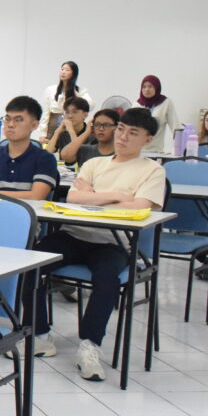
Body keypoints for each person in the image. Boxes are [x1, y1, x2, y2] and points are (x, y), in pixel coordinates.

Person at [31, 107, 166, 381]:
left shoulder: (153, 171)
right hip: (74, 235)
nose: (123, 137)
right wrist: (119, 196)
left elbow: (140, 206)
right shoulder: (94, 164)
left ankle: (90, 345)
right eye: (121, 130)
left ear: (148, 139)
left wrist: (94, 196)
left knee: (107, 279)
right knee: (30, 263)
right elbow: (73, 198)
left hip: (113, 242)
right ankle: (40, 335)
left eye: (132, 133)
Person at [0, 96, 59, 203]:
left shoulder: (45, 159)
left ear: (34, 125)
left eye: (18, 120)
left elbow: (36, 196)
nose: (10, 125)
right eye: (7, 119)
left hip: (29, 213)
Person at [38, 61, 92, 144]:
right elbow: (45, 112)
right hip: (53, 124)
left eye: (67, 70)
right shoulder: (50, 89)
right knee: (51, 146)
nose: (63, 72)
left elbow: (90, 105)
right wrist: (43, 133)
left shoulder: (80, 91)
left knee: (69, 145)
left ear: (74, 73)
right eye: (62, 69)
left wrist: (77, 98)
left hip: (72, 124)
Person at [132, 75, 179, 153]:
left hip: (156, 151)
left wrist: (179, 149)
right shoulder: (136, 105)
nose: (147, 89)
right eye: (144, 87)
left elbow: (175, 126)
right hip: (137, 151)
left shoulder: (165, 103)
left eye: (150, 86)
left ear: (156, 88)